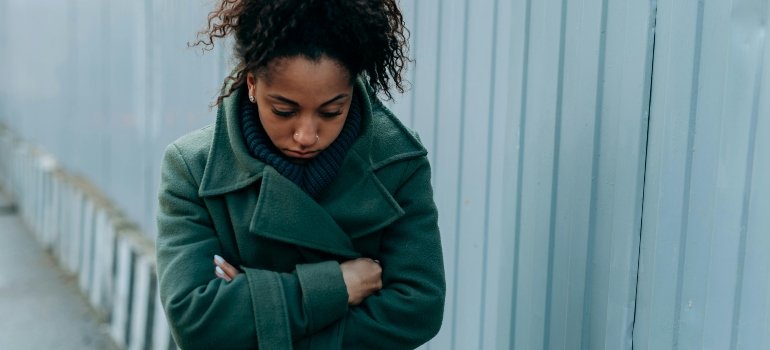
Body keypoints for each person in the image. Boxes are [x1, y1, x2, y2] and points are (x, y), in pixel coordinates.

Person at [155, 0, 445, 349]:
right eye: (284, 110)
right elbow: (196, 320)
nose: (306, 135)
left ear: (352, 90)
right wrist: (337, 286)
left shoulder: (398, 161)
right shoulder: (194, 168)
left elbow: (418, 309)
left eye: (331, 112)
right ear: (251, 84)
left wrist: (257, 300)